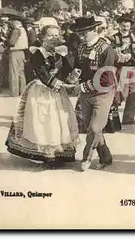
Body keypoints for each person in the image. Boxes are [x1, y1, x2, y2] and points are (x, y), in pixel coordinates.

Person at [5, 24, 79, 166]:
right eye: (50, 35)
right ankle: (47, 153)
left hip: (57, 91)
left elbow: (65, 71)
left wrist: (72, 76)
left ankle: (59, 152)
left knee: (60, 119)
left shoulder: (59, 54)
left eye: (57, 35)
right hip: (41, 89)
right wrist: (57, 83)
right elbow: (41, 72)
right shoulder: (38, 53)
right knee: (44, 120)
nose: (54, 38)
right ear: (42, 37)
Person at [72, 17, 117, 171]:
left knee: (96, 128)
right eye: (79, 33)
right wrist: (73, 76)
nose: (82, 35)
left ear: (94, 30)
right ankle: (106, 157)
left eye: (85, 32)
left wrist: (82, 87)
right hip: (85, 94)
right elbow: (78, 67)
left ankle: (86, 158)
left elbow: (106, 78)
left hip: (103, 93)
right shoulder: (80, 48)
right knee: (91, 127)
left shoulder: (106, 49)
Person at [110, 13, 135, 125]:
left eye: (127, 25)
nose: (125, 28)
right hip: (121, 68)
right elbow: (112, 52)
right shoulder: (114, 38)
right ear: (119, 25)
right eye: (123, 25)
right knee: (121, 93)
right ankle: (112, 117)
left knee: (133, 94)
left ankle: (128, 118)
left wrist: (132, 55)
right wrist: (119, 54)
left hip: (134, 67)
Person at [7, 15, 29, 97]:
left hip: (15, 52)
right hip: (22, 52)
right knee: (21, 73)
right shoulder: (23, 30)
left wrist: (6, 40)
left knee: (14, 73)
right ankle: (23, 91)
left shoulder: (16, 30)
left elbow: (12, 42)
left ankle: (14, 92)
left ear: (15, 22)